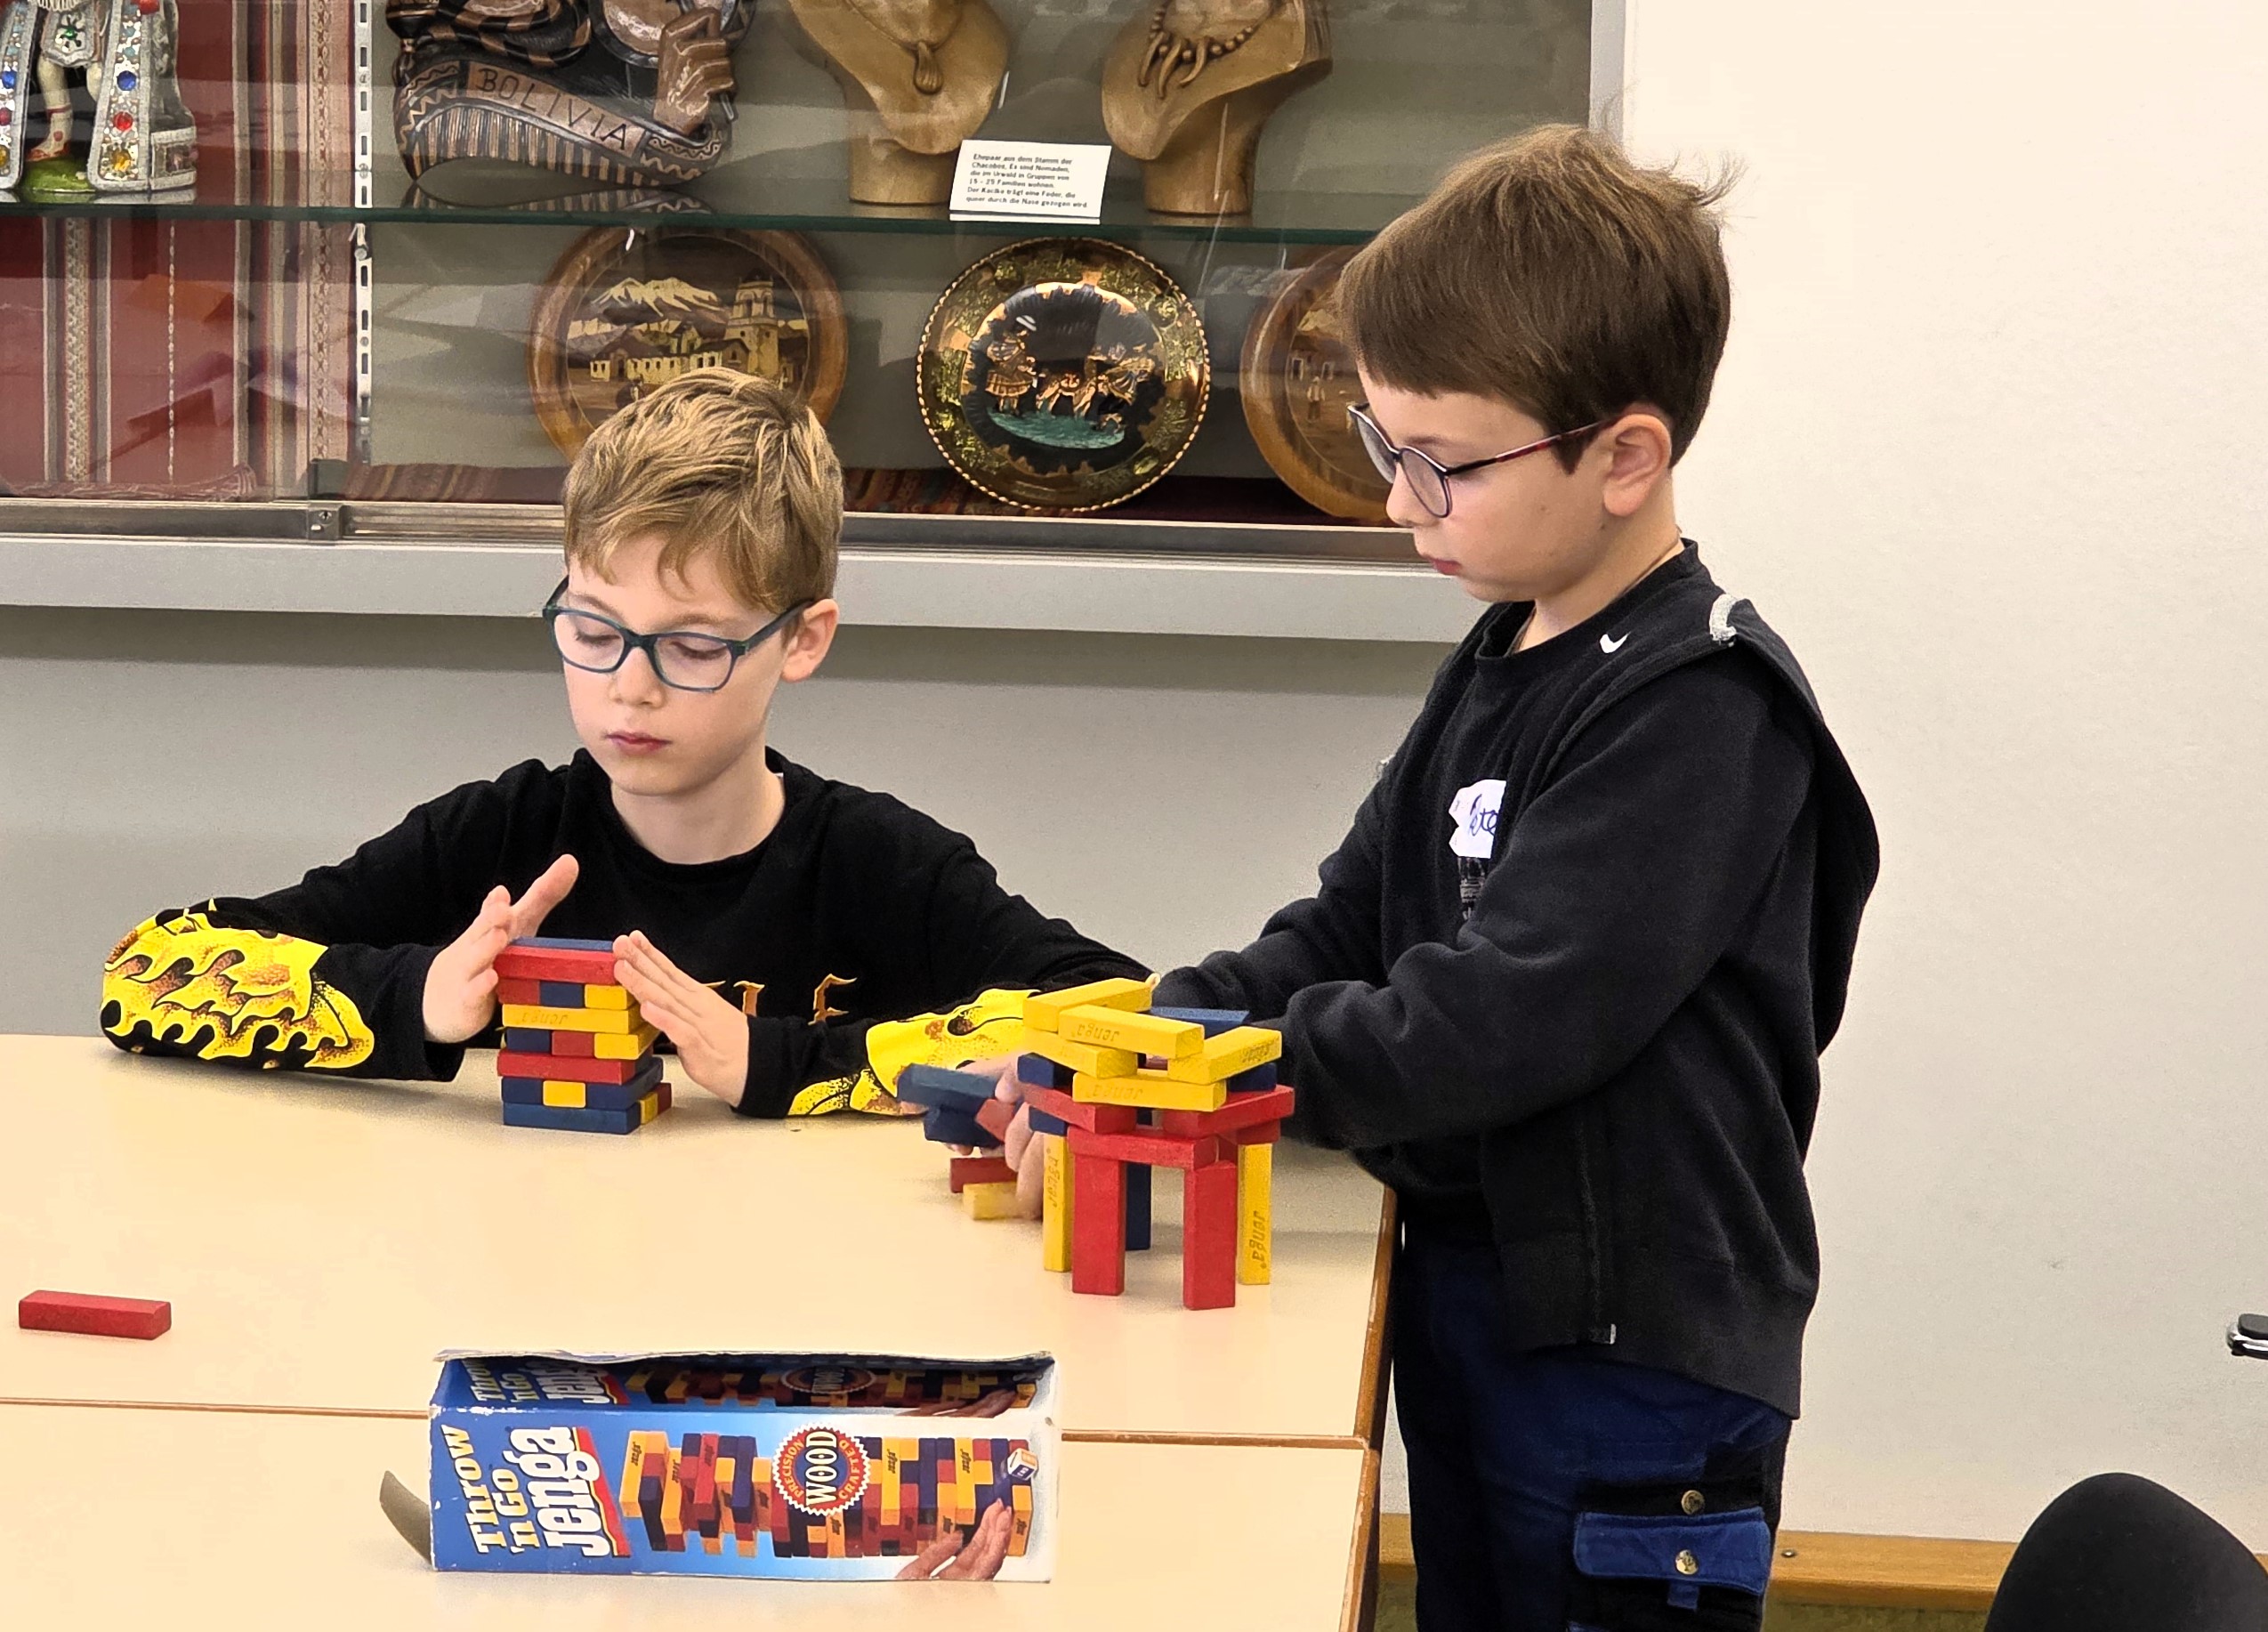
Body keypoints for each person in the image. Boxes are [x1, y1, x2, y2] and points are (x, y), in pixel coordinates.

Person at [1002, 125, 1880, 1630]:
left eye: (1440, 464)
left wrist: (1209, 1080)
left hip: (1632, 1355)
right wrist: (1146, 1030)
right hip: (1485, 1293)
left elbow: (1496, 1019)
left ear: (1624, 457)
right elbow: (1349, 921)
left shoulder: (1697, 710)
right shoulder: (1504, 648)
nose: (1401, 500)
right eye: (1381, 446)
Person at [101, 368, 1142, 1117]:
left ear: (801, 640)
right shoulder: (497, 838)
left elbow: (1126, 1013)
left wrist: (783, 1061)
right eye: (594, 633)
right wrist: (416, 996)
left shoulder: (880, 865)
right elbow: (147, 971)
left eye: (691, 646)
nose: (628, 687)